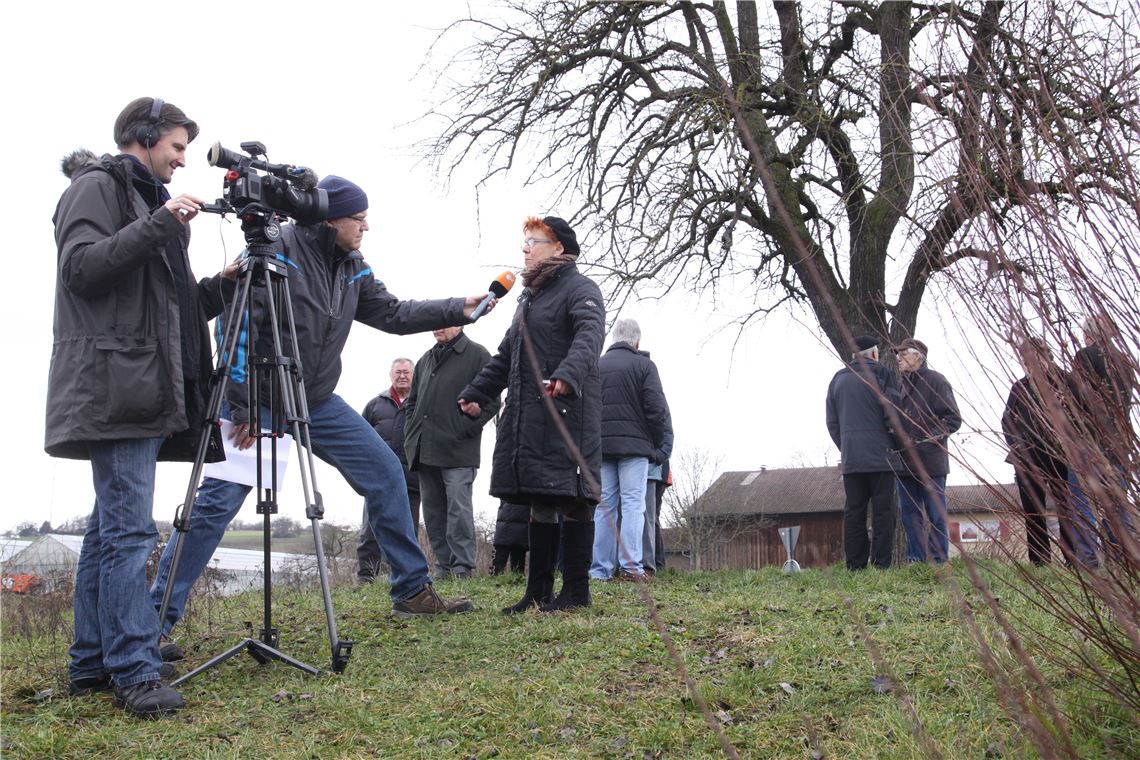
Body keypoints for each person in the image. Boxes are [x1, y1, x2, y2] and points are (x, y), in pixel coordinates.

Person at [150, 174, 492, 641]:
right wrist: (241, 403)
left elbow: (394, 313)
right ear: (332, 220)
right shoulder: (277, 249)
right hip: (259, 400)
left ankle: (412, 590)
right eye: (359, 218)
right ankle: (155, 622)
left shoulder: (352, 266)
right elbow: (234, 325)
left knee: (386, 472)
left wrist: (458, 308)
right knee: (216, 505)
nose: (366, 227)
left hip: (315, 399)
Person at [49, 97, 236, 717]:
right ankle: (134, 668)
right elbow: (80, 269)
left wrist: (221, 286)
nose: (183, 160)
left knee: (109, 531)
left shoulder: (148, 204)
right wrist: (161, 225)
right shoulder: (95, 188)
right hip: (116, 386)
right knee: (128, 533)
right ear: (145, 135)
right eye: (177, 147)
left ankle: (91, 662)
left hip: (141, 386)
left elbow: (174, 313)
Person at [458, 216, 605, 613]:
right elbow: (507, 354)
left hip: (567, 411)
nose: (525, 249)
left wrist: (567, 375)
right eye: (523, 242)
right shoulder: (528, 298)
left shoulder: (581, 289)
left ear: (558, 248)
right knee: (539, 498)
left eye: (533, 241)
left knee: (573, 498)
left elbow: (590, 336)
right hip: (528, 415)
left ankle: (576, 592)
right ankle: (537, 592)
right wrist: (476, 392)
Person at [405, 326, 500, 578]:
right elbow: (412, 403)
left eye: (444, 321)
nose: (437, 327)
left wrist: (466, 427)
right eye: (434, 322)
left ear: (460, 323)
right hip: (425, 448)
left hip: (459, 449)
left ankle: (462, 567)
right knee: (432, 511)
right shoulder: (425, 359)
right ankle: (443, 566)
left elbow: (493, 401)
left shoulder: (478, 355)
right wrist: (411, 433)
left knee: (458, 508)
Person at [590, 320, 673, 581]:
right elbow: (656, 409)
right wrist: (656, 445)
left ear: (614, 338)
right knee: (634, 506)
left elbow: (587, 408)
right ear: (637, 341)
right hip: (635, 448)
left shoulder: (597, 365)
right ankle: (630, 567)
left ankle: (599, 570)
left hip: (603, 446)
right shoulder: (645, 366)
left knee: (605, 507)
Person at [1064, 314, 1136, 568]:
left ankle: (1089, 559)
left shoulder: (1085, 356)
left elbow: (1078, 398)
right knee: (1117, 501)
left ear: (1087, 334)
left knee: (1081, 498)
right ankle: (1122, 556)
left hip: (1089, 439)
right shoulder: (1125, 361)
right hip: (1120, 441)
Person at [825, 336, 901, 570]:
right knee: (883, 512)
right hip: (882, 456)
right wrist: (898, 445)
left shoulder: (837, 379)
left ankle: (855, 565)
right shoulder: (883, 374)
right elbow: (893, 414)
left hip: (852, 458)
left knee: (854, 512)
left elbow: (832, 422)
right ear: (874, 354)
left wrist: (846, 446)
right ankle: (881, 565)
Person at [892, 338, 962, 564]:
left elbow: (952, 419)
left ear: (918, 357)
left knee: (935, 513)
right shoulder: (899, 385)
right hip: (904, 462)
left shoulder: (936, 381)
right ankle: (916, 561)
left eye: (903, 354)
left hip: (931, 461)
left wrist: (926, 438)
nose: (898, 359)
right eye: (897, 355)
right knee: (909, 514)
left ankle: (939, 559)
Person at [1001, 338, 1071, 565]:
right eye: (1024, 359)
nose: (1029, 363)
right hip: (1027, 456)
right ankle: (1039, 560)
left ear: (1045, 355)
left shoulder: (1065, 382)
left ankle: (1074, 559)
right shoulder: (1020, 387)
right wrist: (1017, 446)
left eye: (1033, 357)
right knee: (1033, 510)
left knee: (1066, 507)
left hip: (1060, 455)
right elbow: (1007, 420)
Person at [357, 357, 418, 584]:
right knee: (370, 530)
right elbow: (360, 438)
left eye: (406, 372)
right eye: (398, 372)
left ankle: (406, 578)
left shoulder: (421, 402)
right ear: (390, 376)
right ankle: (366, 578)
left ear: (414, 376)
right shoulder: (375, 405)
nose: (402, 376)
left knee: (408, 530)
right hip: (378, 478)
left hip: (411, 478)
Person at [490, 500, 530, 575]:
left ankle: (496, 576)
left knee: (498, 567)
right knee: (517, 567)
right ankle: (516, 578)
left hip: (505, 522)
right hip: (521, 523)